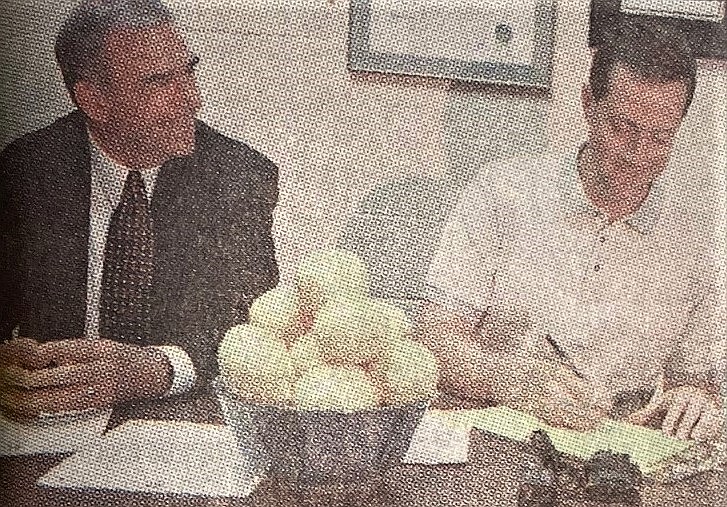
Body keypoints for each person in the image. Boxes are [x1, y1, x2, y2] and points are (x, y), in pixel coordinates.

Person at [417, 18, 724, 441]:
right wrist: (517, 382)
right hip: (496, 436)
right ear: (587, 104)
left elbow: (696, 378)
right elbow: (432, 341)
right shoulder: (501, 191)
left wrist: (694, 397)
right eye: (623, 128)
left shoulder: (695, 240)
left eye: (660, 137)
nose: (637, 155)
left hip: (617, 456)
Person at [0, 0, 279, 421]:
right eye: (160, 82)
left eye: (188, 71)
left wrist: (156, 370)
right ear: (94, 101)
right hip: (48, 423)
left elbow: (250, 325)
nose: (192, 99)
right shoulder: (26, 170)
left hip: (178, 427)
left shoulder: (235, 175)